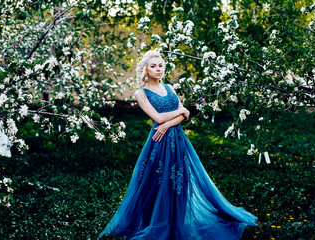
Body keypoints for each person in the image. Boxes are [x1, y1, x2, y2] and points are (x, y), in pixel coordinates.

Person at [99, 50, 257, 240]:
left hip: (178, 140)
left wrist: (167, 123)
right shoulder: (140, 93)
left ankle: (177, 224)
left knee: (179, 182)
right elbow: (159, 117)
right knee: (158, 182)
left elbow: (185, 113)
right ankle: (157, 224)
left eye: (160, 65)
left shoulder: (170, 88)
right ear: (145, 70)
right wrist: (173, 116)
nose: (158, 69)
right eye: (153, 66)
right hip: (159, 142)